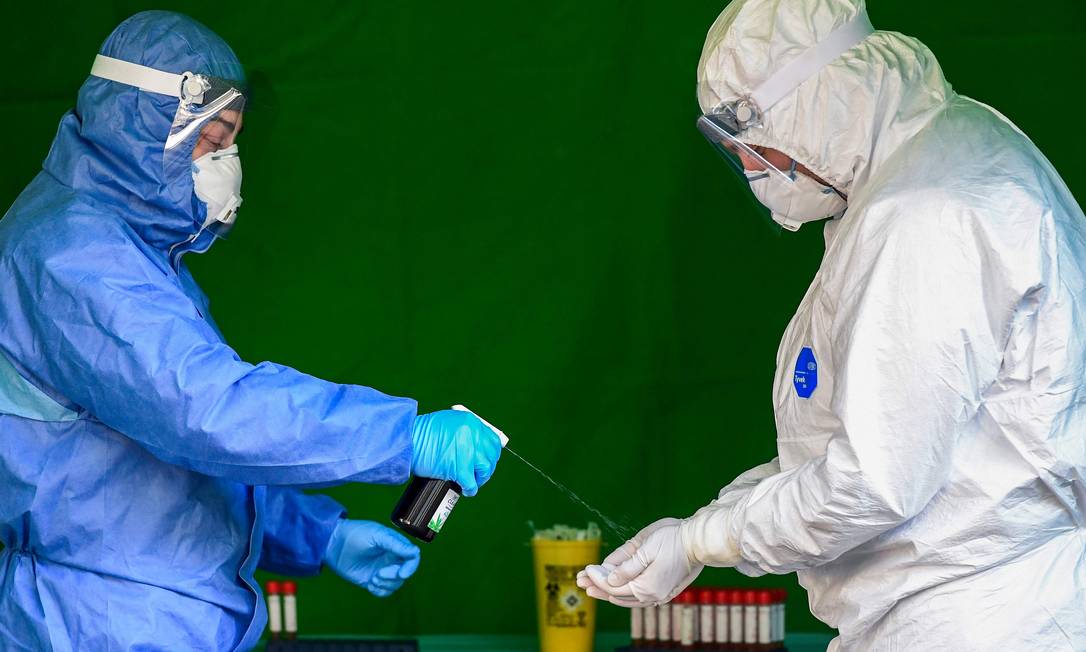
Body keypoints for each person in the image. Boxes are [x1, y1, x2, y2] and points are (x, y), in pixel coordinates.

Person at [579, 0, 1086, 649]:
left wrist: (705, 539)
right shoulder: (942, 159)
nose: (757, 170)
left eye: (751, 136)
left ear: (815, 99)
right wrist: (703, 529)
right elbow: (855, 446)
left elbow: (873, 478)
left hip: (974, 621)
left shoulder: (925, 213)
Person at [0, 11, 502, 650]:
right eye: (211, 140)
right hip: (103, 627)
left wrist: (316, 533)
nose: (225, 162)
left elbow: (153, 468)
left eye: (230, 140)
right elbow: (206, 409)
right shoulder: (73, 255)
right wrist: (403, 436)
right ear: (143, 130)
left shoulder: (132, 253)